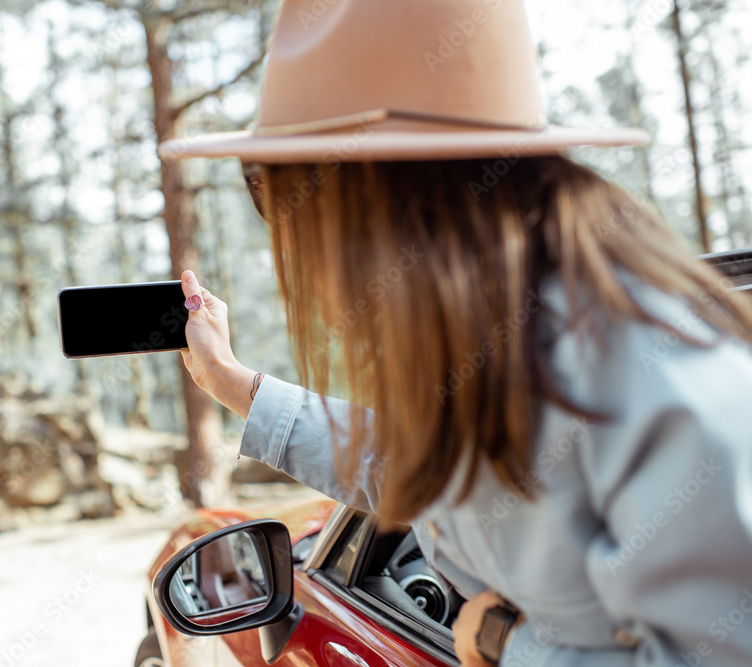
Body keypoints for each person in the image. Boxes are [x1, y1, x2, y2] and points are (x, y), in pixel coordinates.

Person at [164, 1, 752, 665]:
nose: (282, 221)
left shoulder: (650, 370)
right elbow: (414, 460)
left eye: (273, 182)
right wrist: (235, 383)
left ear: (364, 197)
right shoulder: (502, 342)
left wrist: (504, 643)